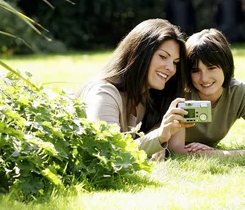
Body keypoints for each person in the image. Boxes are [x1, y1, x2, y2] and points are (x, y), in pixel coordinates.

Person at [79, 19, 190, 157]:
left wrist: (158, 138)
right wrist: (159, 136)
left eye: (175, 62)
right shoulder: (103, 94)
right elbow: (109, 150)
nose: (171, 68)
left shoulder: (145, 96)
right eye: (162, 57)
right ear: (140, 53)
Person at [169, 28, 245, 156]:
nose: (204, 78)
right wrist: (227, 154)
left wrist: (213, 152)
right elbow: (176, 150)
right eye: (195, 70)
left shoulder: (239, 93)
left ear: (225, 66)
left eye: (211, 68)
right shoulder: (181, 94)